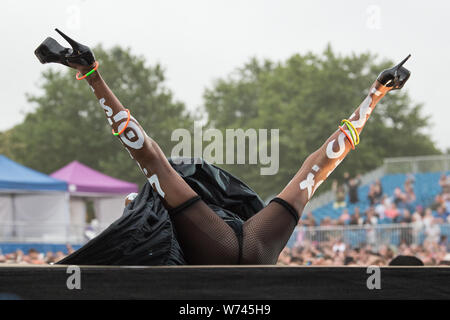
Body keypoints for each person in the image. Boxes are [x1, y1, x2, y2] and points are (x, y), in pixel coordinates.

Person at [34, 29, 411, 265]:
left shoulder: (210, 226)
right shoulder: (251, 233)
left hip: (223, 247)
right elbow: (321, 164)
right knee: (310, 175)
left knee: (158, 168)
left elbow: (146, 153)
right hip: (261, 249)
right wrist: (375, 95)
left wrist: (93, 75)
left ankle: (91, 72)